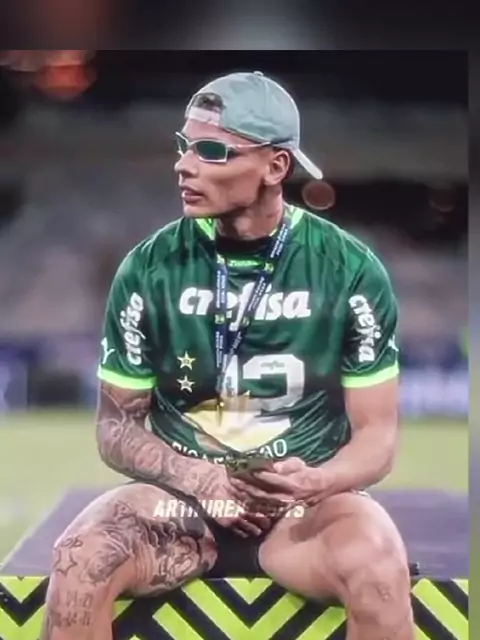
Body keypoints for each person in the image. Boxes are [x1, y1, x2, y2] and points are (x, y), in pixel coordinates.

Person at [41, 71, 414, 640]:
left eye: (212, 151)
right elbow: (115, 428)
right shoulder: (148, 269)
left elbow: (378, 437)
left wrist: (317, 480)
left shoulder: (349, 270)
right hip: (177, 507)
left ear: (276, 166)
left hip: (304, 511)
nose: (184, 165)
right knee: (77, 563)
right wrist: (201, 478)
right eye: (183, 146)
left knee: (381, 568)